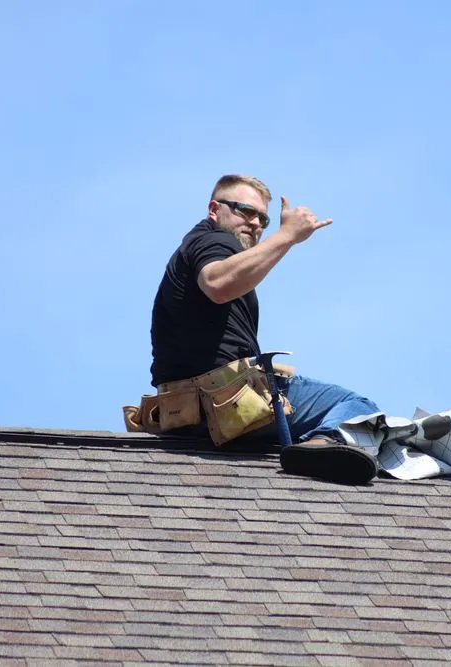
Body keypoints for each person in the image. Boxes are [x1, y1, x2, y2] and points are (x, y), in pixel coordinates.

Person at [148, 174, 381, 484]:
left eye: (264, 219)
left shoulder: (196, 247)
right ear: (214, 209)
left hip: (187, 415)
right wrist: (287, 235)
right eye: (246, 210)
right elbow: (217, 284)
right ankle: (322, 445)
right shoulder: (213, 239)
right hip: (224, 401)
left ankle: (315, 446)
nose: (256, 222)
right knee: (357, 409)